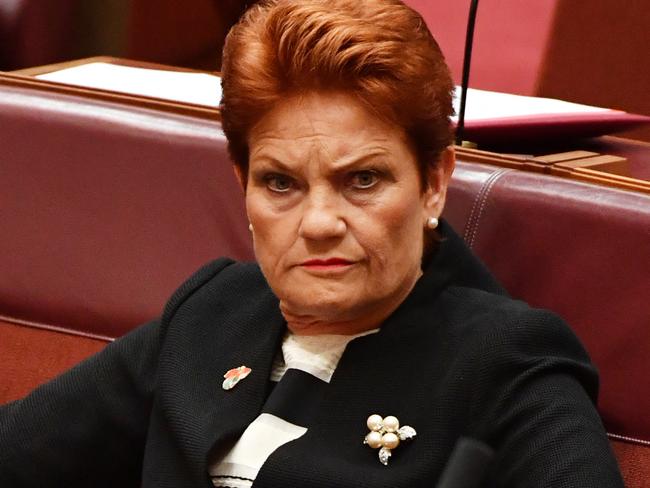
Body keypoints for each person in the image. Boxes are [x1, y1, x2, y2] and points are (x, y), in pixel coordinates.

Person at [0, 0, 624, 487]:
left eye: (362, 180)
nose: (320, 222)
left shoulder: (506, 362)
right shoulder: (211, 310)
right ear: (242, 184)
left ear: (434, 182)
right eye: (280, 183)